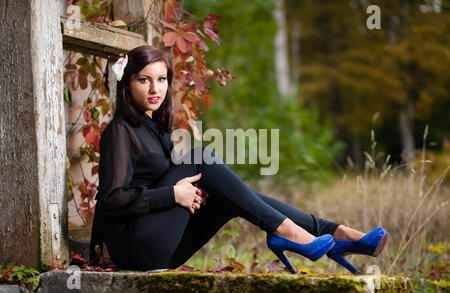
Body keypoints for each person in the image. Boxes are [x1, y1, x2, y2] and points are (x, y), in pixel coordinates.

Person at [89, 46, 387, 274]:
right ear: (127, 84)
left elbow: (164, 190)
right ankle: (293, 232)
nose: (156, 89)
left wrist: (189, 195)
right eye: (144, 80)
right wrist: (173, 195)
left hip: (163, 249)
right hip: (136, 249)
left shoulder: (155, 131)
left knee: (225, 197)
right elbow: (112, 200)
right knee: (201, 157)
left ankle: (333, 233)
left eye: (162, 79)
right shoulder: (120, 131)